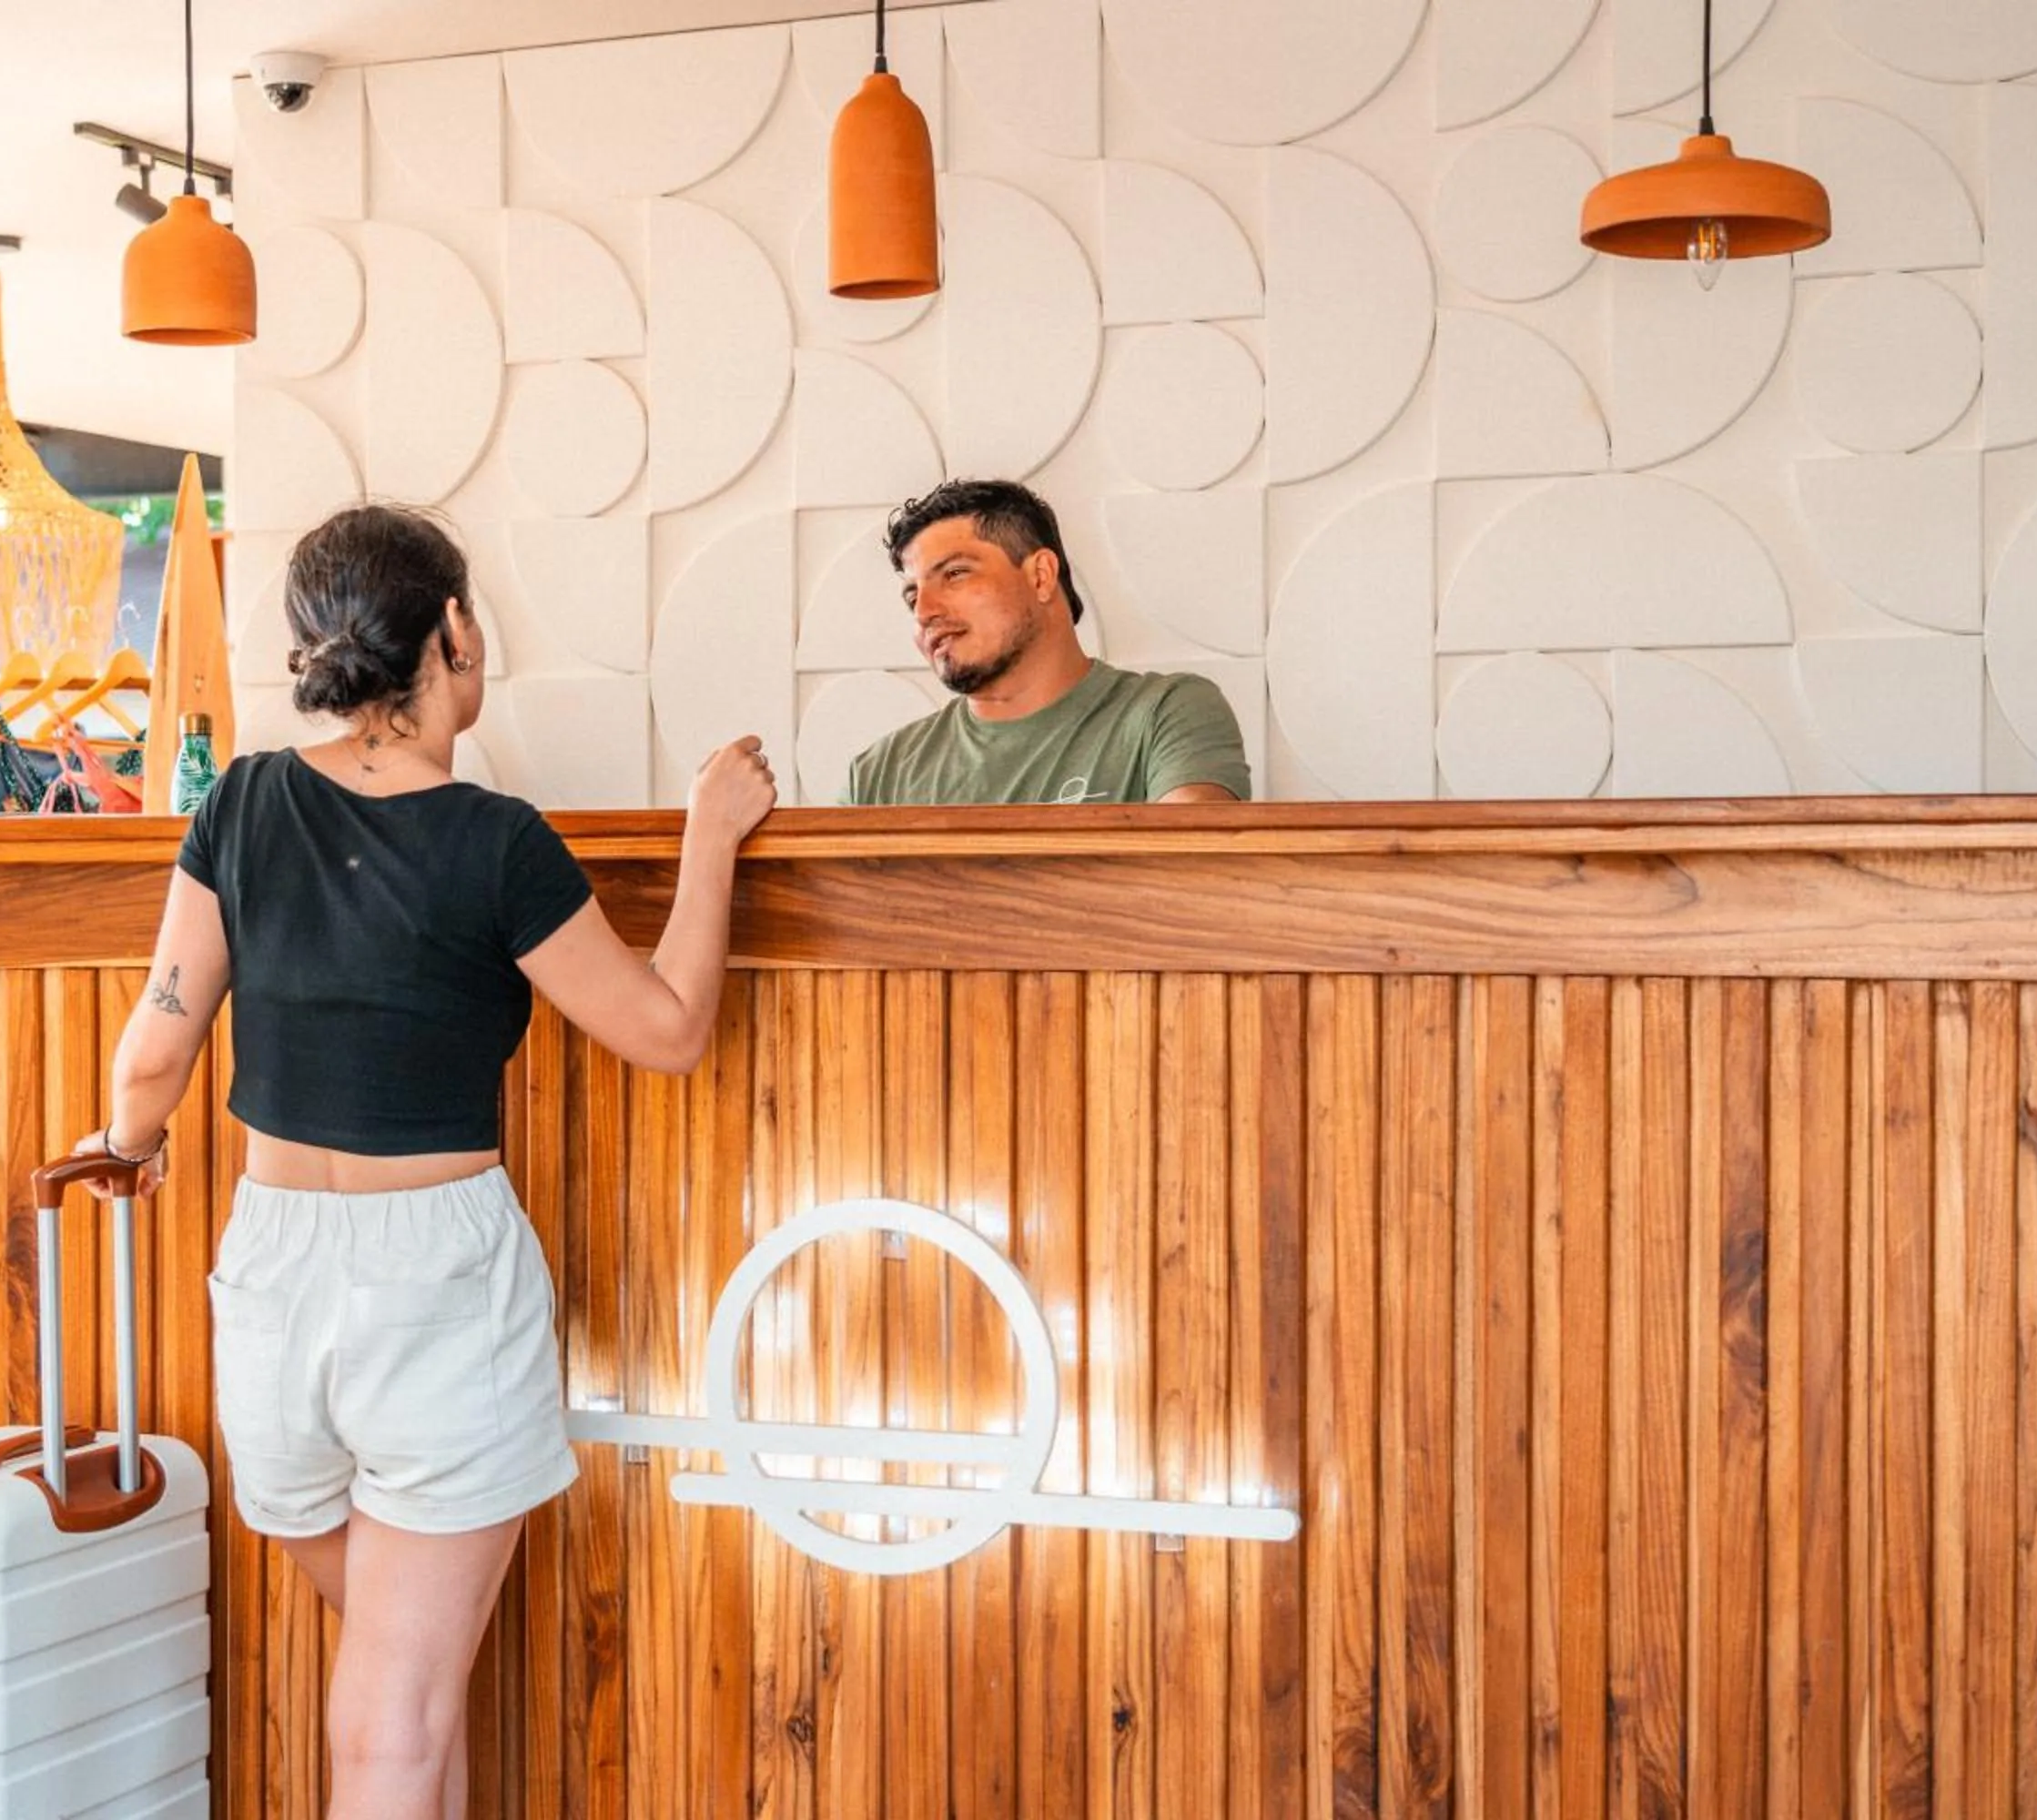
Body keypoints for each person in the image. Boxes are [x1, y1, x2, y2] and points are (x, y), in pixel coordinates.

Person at [77, 503, 775, 1820]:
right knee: (394, 1718)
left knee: (407, 1689)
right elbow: (669, 1031)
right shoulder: (494, 840)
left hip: (271, 1273)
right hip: (436, 1280)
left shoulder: (240, 800)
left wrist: (123, 1152)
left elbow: (155, 1052)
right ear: (455, 629)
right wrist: (709, 836)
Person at [843, 478, 1252, 806]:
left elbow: (1191, 869)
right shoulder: (876, 776)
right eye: (912, 596)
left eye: (955, 574)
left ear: (1040, 576)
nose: (924, 611)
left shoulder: (1164, 714)